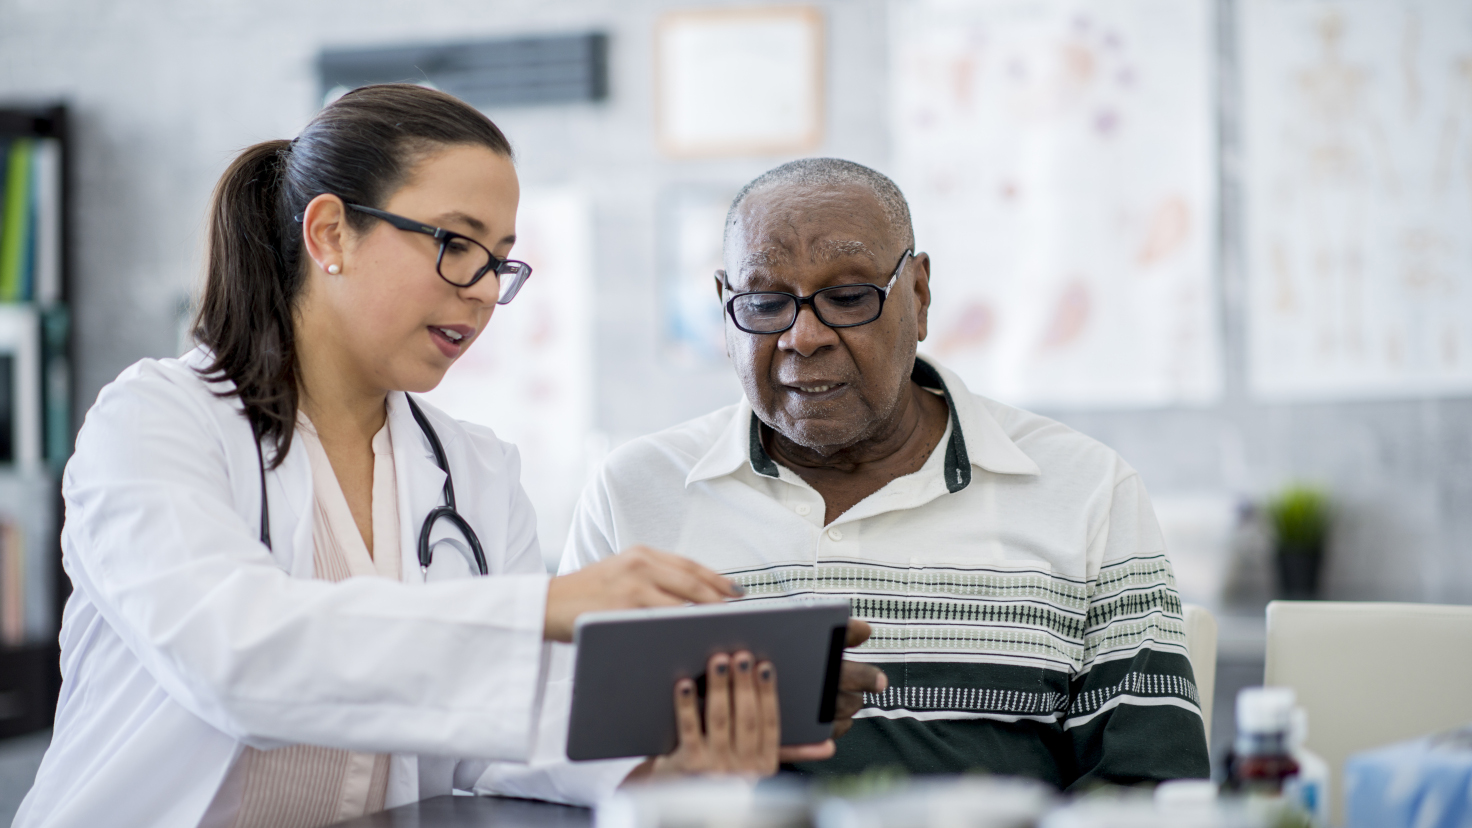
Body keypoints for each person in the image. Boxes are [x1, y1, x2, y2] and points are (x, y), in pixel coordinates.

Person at [14, 87, 856, 828]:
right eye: (456, 243)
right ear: (331, 231)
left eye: (499, 260)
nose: (485, 289)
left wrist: (666, 747)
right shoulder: (158, 420)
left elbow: (495, 740)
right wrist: (541, 611)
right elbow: (236, 659)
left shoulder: (475, 470)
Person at [550, 158, 1211, 790]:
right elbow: (556, 761)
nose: (803, 336)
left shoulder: (1085, 489)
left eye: (846, 296)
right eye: (764, 302)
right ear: (725, 310)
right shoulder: (634, 494)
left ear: (918, 295)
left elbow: (1148, 786)